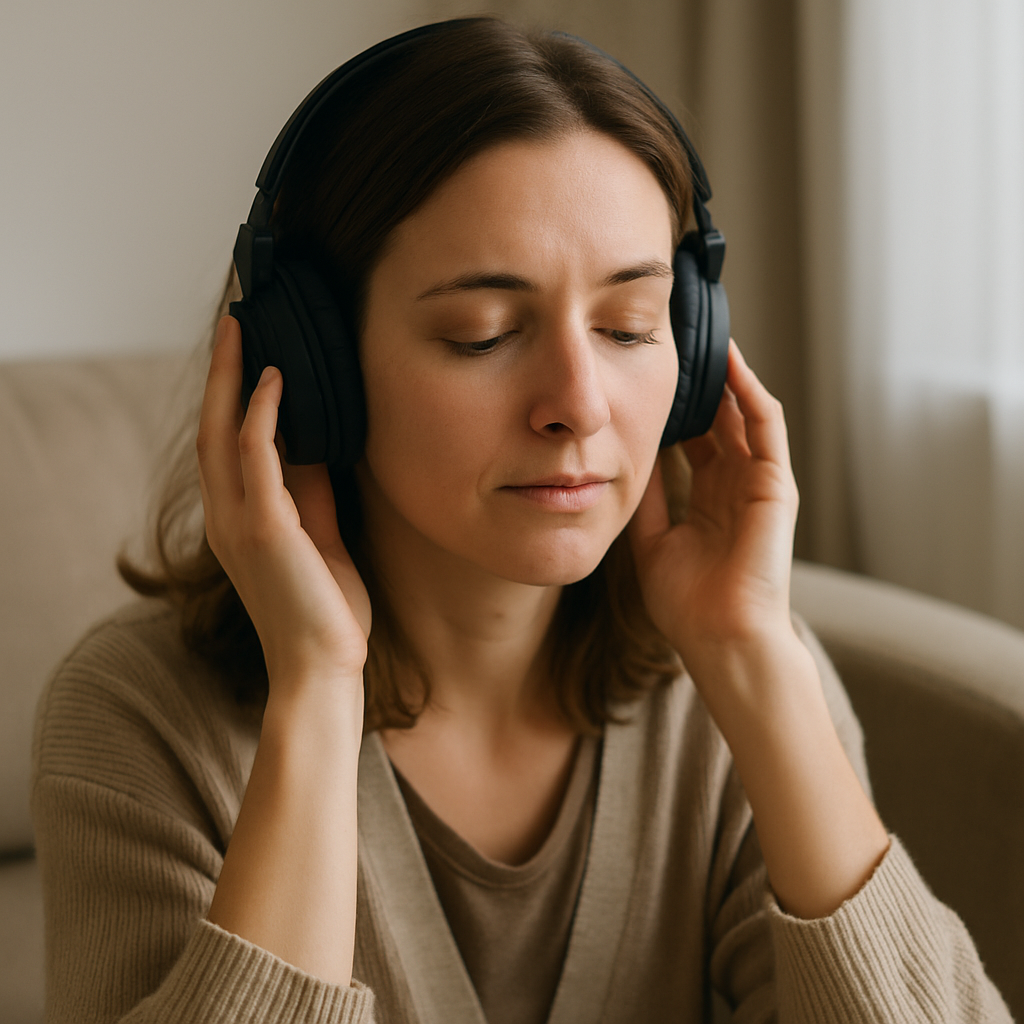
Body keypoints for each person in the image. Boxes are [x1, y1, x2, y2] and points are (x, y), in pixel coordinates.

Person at [31, 17, 1012, 1024]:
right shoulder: (135, 717)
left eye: (629, 325)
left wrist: (756, 664)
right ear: (314, 365)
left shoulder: (729, 695)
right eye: (482, 333)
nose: (578, 403)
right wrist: (316, 694)